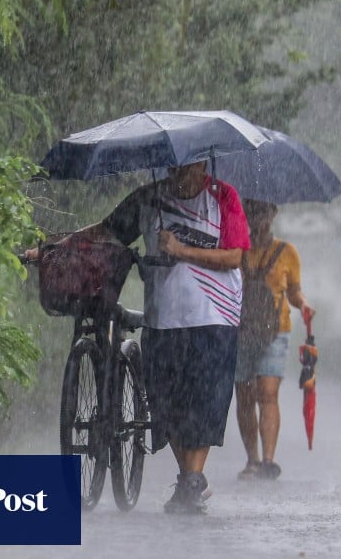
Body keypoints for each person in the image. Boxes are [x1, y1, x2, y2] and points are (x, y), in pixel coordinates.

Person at [25, 159, 250, 515]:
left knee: (204, 401)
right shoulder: (148, 198)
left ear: (202, 163)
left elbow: (235, 256)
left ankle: (192, 478)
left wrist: (181, 251)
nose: (178, 173)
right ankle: (190, 479)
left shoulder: (223, 197)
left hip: (215, 316)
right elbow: (106, 230)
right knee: (165, 401)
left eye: (186, 166)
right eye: (172, 167)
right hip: (164, 317)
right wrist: (54, 250)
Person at [233, 199, 314, 481]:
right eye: (251, 213)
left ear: (273, 214)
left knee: (267, 393)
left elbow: (294, 291)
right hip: (241, 331)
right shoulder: (235, 251)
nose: (257, 220)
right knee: (244, 393)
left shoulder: (287, 252)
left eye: (262, 213)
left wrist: (302, 304)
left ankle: (267, 460)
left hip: (275, 331)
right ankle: (252, 459)